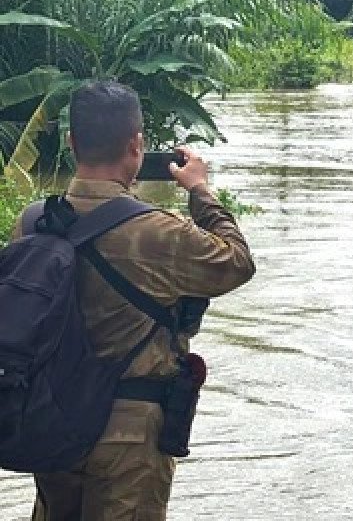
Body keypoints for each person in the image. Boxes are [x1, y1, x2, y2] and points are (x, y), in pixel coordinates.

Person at [16, 82, 256, 521]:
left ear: (71, 144)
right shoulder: (160, 232)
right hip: (128, 430)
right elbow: (237, 262)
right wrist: (201, 191)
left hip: (49, 419)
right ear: (136, 145)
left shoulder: (33, 221)